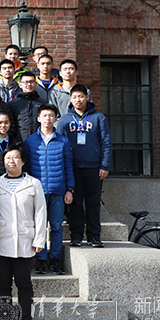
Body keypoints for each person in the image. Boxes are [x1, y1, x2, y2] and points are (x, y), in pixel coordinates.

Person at [0, 145, 46, 320]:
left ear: (23, 161)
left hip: (25, 241)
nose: (11, 161)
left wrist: (39, 239)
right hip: (1, 241)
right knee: (3, 283)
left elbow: (40, 212)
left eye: (15, 157)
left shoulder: (34, 183)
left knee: (24, 283)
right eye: (8, 158)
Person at [56, 84, 112, 248]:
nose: (78, 100)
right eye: (74, 97)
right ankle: (76, 236)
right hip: (73, 168)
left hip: (94, 168)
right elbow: (59, 144)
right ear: (70, 99)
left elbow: (106, 143)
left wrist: (105, 165)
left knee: (93, 203)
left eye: (81, 96)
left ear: (87, 97)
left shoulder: (99, 118)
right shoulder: (64, 120)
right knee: (75, 203)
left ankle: (94, 236)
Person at [24, 104, 74, 275]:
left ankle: (54, 259)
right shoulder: (30, 141)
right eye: (44, 115)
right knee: (39, 226)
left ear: (56, 119)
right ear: (38, 118)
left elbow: (68, 166)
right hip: (37, 191)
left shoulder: (63, 141)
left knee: (56, 227)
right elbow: (27, 168)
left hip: (58, 190)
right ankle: (41, 260)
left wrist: (70, 189)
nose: (48, 119)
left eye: (51, 115)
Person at [9, 71, 45, 141]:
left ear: (36, 84)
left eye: (31, 82)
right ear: (20, 85)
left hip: (39, 140)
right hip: (19, 141)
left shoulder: (42, 103)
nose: (29, 84)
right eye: (26, 82)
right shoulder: (13, 103)